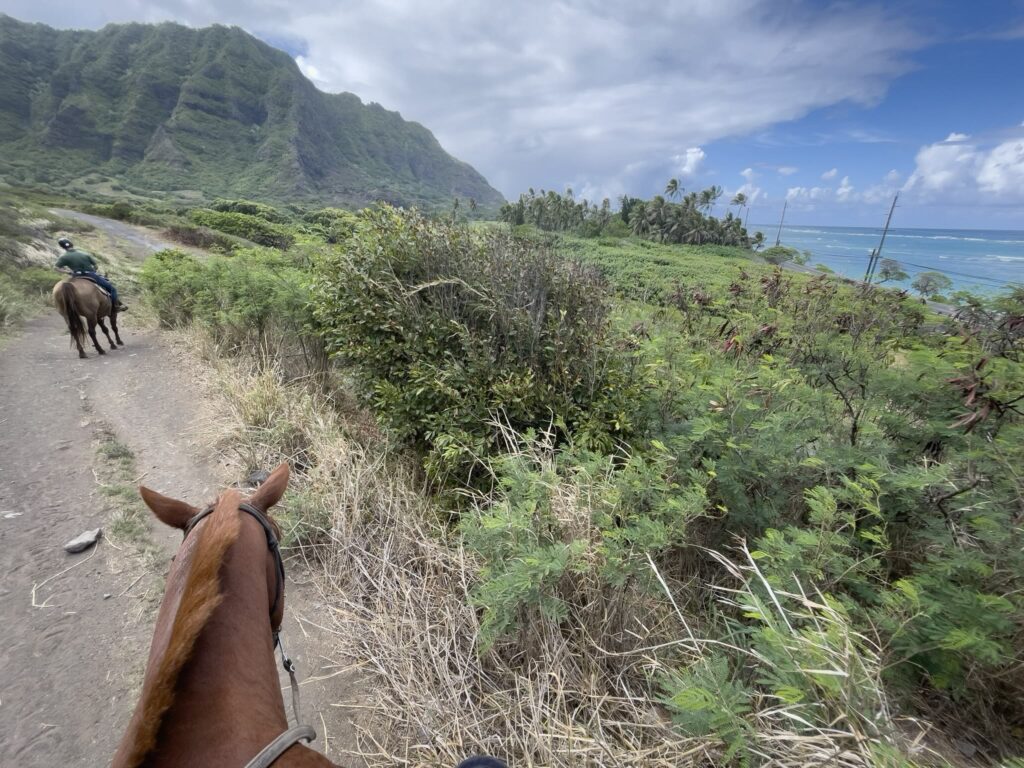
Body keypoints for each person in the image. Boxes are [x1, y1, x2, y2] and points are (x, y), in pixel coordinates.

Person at [55, 237, 128, 311]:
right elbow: (96, 266)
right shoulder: (85, 254)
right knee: (112, 289)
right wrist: (93, 270)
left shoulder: (63, 257)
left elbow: (57, 268)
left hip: (76, 276)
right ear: (71, 244)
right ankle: (116, 306)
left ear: (62, 247)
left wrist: (69, 272)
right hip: (90, 274)